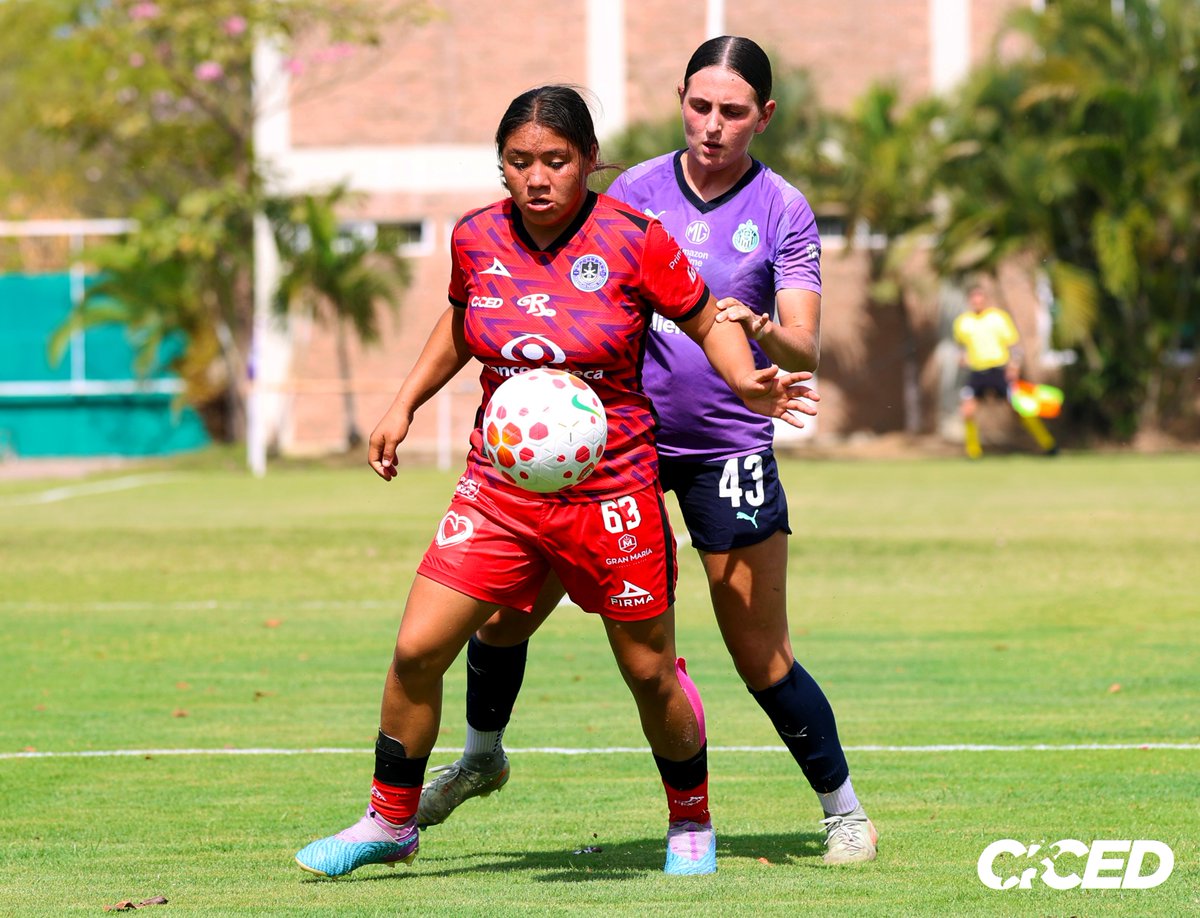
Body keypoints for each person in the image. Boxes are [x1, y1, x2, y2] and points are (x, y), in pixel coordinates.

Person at [293, 83, 817, 879]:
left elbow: (707, 318)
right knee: (415, 650)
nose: (537, 177)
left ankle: (690, 820)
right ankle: (390, 821)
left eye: (556, 161)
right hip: (500, 492)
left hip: (613, 493)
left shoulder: (635, 237)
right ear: (501, 167)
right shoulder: (474, 237)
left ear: (589, 163)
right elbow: (461, 320)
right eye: (519, 161)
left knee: (648, 672)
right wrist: (401, 404)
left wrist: (748, 384)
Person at [418, 36, 879, 866]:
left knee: (758, 654)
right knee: (503, 618)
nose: (712, 125)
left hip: (722, 450)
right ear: (680, 101)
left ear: (763, 117)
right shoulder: (632, 190)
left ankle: (842, 811)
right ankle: (482, 759)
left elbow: (805, 346)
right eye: (699, 106)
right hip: (606, 452)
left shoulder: (783, 209)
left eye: (733, 112)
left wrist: (760, 328)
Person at [953, 281, 1057, 459]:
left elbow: (1014, 346)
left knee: (1021, 408)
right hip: (977, 372)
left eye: (980, 298)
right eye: (974, 299)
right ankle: (973, 452)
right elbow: (960, 347)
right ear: (970, 301)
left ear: (985, 300)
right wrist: (962, 358)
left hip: (999, 370)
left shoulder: (998, 318)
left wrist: (1014, 365)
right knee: (968, 410)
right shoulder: (963, 322)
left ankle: (1048, 445)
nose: (977, 302)